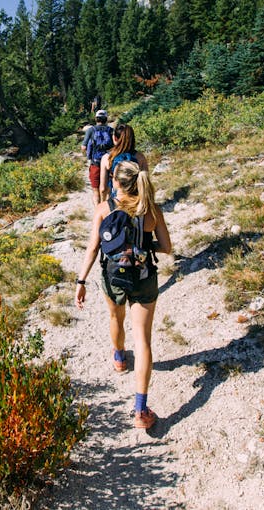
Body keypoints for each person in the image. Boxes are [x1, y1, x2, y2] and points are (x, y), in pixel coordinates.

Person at [75, 159, 172, 429]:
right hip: (143, 278)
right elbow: (166, 247)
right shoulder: (151, 209)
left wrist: (80, 281)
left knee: (115, 318)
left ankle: (118, 358)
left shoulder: (104, 209)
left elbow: (94, 248)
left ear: (115, 182)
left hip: (113, 276)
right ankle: (141, 410)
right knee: (143, 340)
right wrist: (142, 243)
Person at [99, 123, 148, 202]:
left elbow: (103, 188)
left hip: (116, 200)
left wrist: (102, 203)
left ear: (115, 138)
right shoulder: (140, 157)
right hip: (135, 200)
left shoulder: (107, 158)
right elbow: (145, 182)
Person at [81, 109, 113, 205]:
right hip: (109, 163)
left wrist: (88, 154)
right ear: (106, 119)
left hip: (95, 163)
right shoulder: (111, 130)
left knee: (96, 191)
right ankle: (107, 210)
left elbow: (83, 147)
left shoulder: (91, 130)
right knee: (107, 189)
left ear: (96, 119)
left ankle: (98, 211)